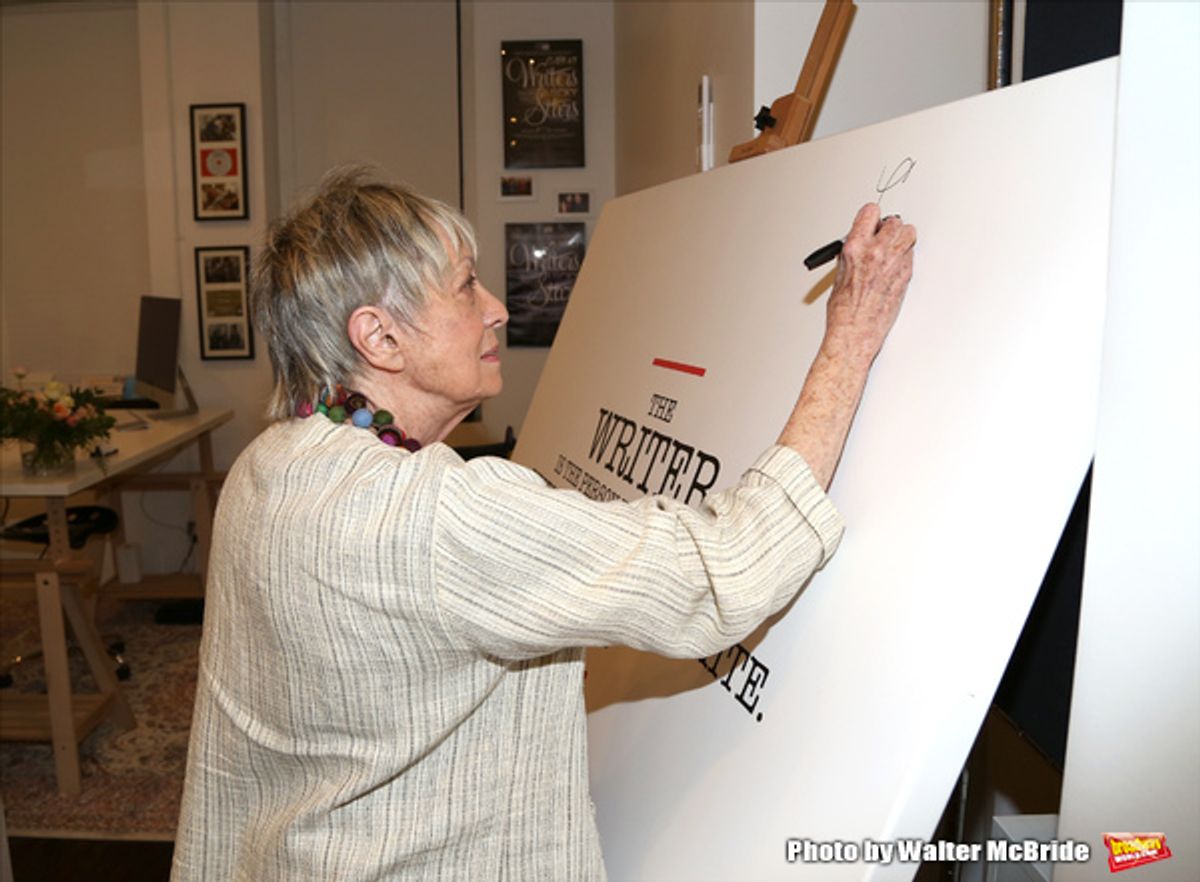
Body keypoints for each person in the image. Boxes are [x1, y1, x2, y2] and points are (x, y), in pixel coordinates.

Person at [171, 168, 916, 881]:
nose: (495, 306)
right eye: (465, 286)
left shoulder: (265, 466)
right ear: (380, 338)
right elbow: (730, 568)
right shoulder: (437, 517)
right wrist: (848, 343)